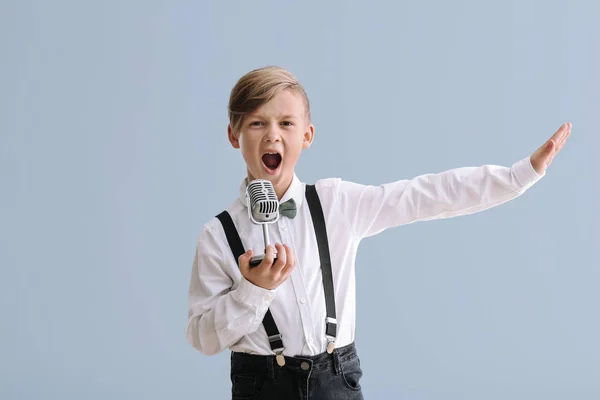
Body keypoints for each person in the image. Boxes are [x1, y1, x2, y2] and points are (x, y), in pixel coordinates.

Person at [185, 66, 571, 400]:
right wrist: (253, 291)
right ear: (235, 136)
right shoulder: (218, 235)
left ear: (307, 135)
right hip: (260, 385)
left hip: (336, 379)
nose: (272, 135)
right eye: (257, 123)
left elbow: (425, 195)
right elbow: (202, 337)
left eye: (286, 123)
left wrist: (518, 175)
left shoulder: (337, 202)